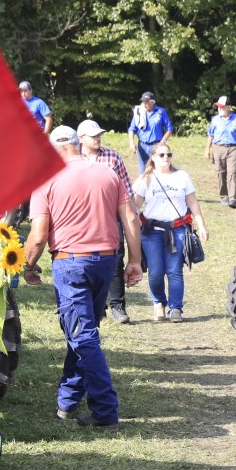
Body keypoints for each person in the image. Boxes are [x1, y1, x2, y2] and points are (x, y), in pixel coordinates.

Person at [21, 125, 144, 430]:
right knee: (83, 331)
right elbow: (130, 217)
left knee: (83, 336)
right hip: (106, 262)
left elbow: (38, 235)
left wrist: (27, 266)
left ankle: (105, 411)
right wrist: (135, 261)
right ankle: (67, 402)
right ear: (77, 144)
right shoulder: (108, 173)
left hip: (71, 263)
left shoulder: (46, 180)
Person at [133, 141, 208, 323]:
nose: (166, 158)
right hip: (152, 231)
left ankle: (175, 308)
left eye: (168, 154)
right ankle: (158, 302)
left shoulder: (182, 176)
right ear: (153, 157)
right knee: (155, 272)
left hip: (177, 230)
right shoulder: (146, 179)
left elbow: (192, 202)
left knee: (175, 271)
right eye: (161, 155)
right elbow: (134, 206)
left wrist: (202, 225)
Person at [76, 118, 139, 325]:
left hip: (112, 216)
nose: (97, 138)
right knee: (86, 259)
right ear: (81, 138)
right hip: (84, 218)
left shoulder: (112, 157)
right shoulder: (74, 159)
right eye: (93, 135)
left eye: (99, 135)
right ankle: (98, 306)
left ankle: (118, 305)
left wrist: (132, 214)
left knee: (115, 258)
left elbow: (127, 190)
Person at [205, 95, 236, 207]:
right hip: (218, 148)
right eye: (218, 106)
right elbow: (210, 134)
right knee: (221, 173)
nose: (219, 108)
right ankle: (224, 196)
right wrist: (207, 149)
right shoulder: (215, 120)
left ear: (229, 107)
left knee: (232, 173)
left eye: (222, 106)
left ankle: (233, 198)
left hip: (233, 149)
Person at [127, 91, 174, 169]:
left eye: (146, 102)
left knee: (157, 169)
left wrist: (162, 142)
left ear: (152, 102)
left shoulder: (161, 112)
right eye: (143, 102)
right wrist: (131, 143)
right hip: (142, 146)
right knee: (143, 171)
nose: (144, 104)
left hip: (156, 146)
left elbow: (169, 128)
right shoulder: (138, 112)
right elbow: (131, 129)